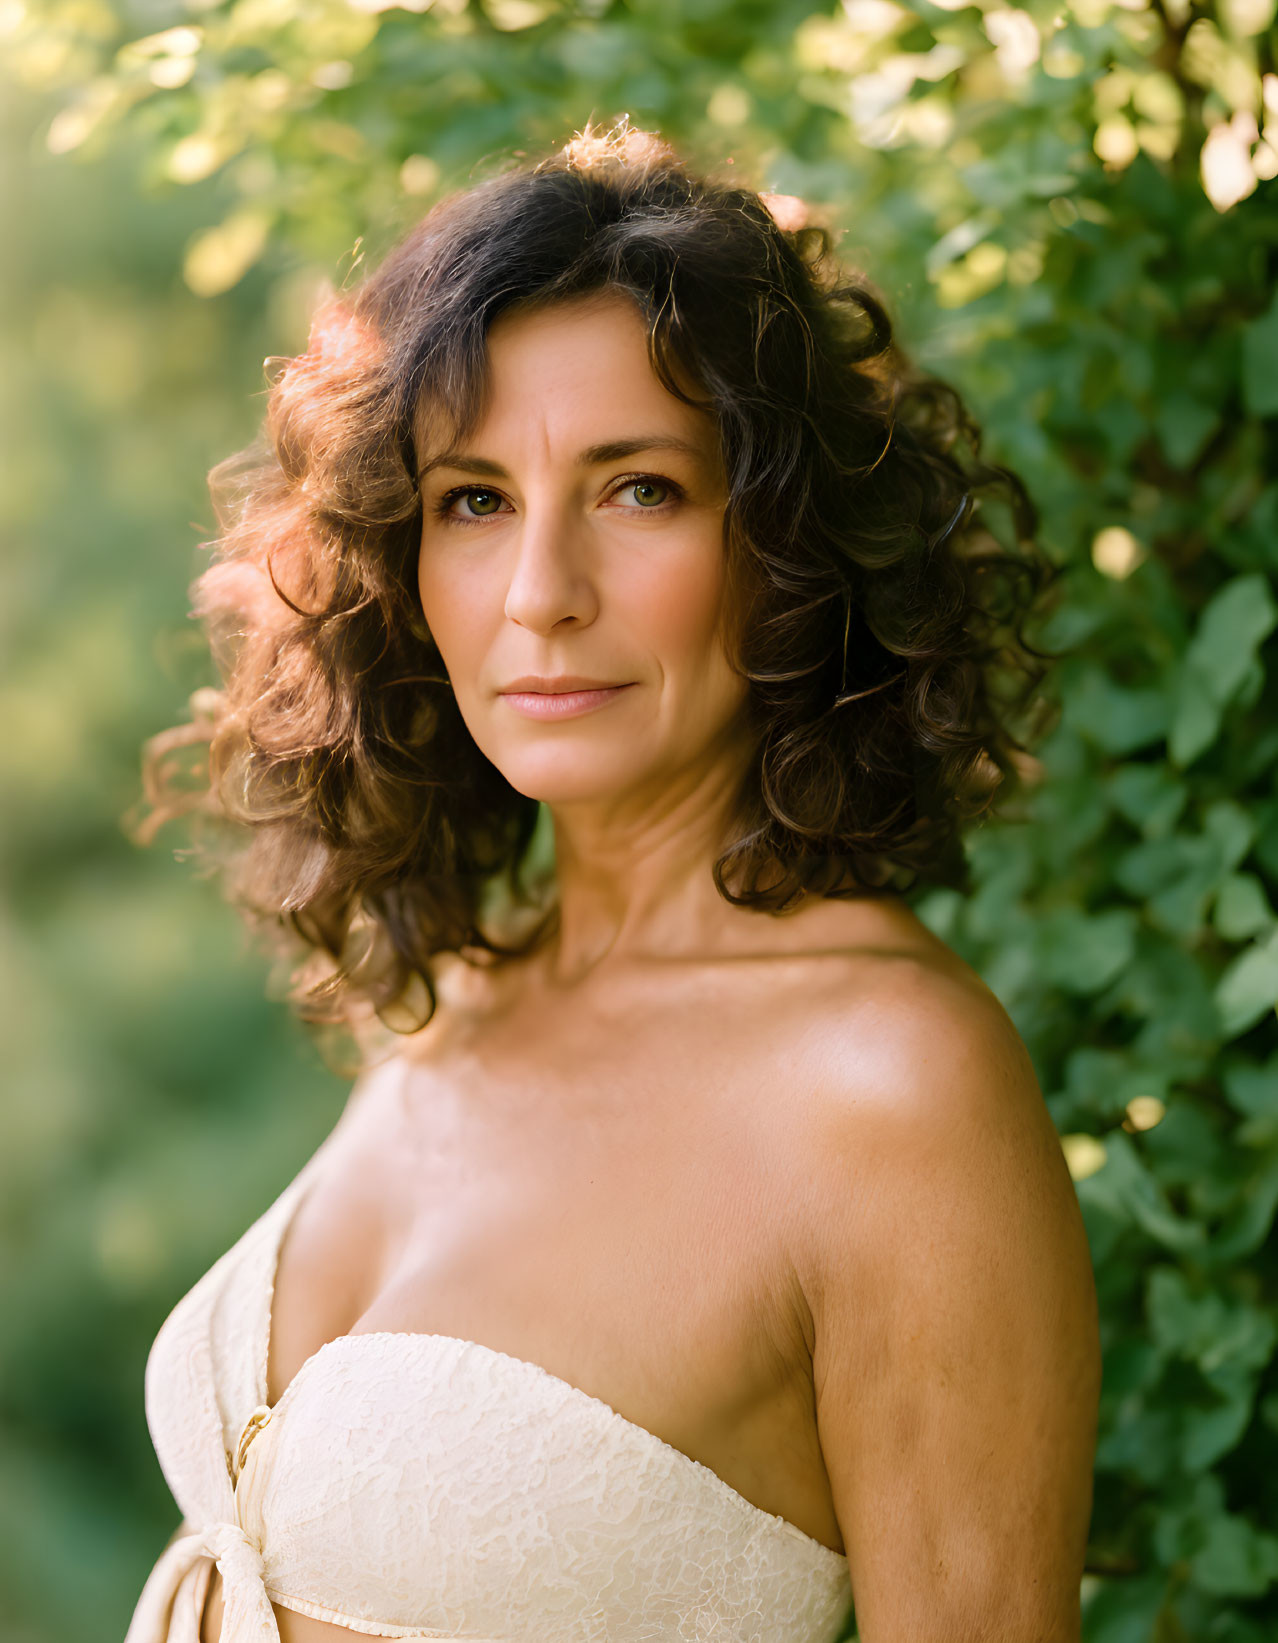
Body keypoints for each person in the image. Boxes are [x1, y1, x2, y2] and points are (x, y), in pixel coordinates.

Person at [125, 118, 1101, 1643]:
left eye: (637, 488)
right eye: (473, 500)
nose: (539, 596)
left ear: (783, 544)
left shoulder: (890, 1087)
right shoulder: (462, 997)